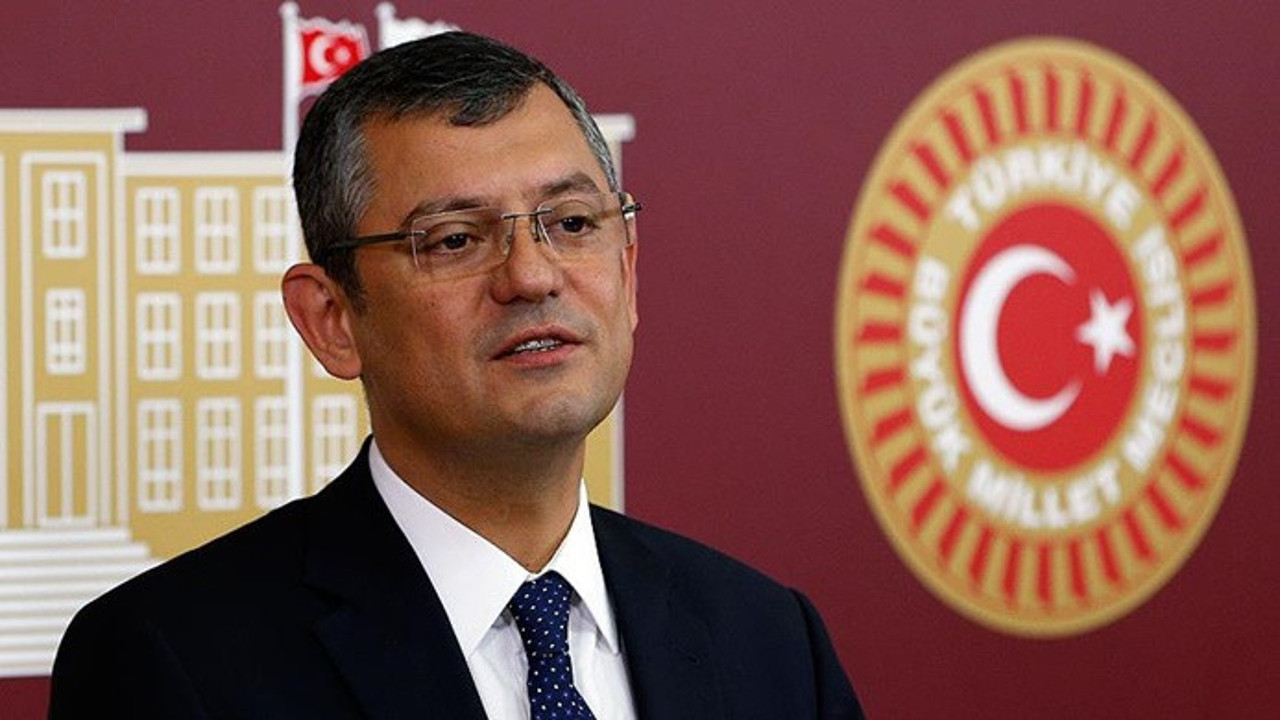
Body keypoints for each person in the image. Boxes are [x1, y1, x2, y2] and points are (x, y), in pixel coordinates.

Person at [49, 31, 864, 719]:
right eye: (454, 240)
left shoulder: (769, 641)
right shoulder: (173, 663)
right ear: (332, 320)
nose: (532, 276)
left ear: (628, 269)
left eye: (571, 223)